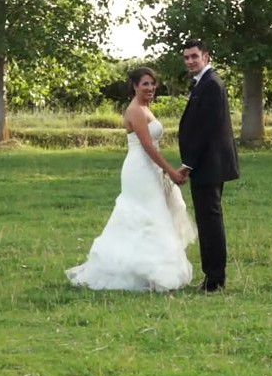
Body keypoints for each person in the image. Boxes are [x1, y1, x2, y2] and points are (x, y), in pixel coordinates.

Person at [66, 67, 196, 292]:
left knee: (157, 213)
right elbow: (147, 147)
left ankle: (153, 269)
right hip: (140, 169)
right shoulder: (135, 110)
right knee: (145, 214)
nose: (150, 88)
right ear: (135, 86)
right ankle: (137, 271)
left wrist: (165, 171)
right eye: (145, 84)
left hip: (152, 168)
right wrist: (171, 172)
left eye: (153, 84)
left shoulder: (147, 108)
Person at [178, 39, 240, 293]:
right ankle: (212, 276)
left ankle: (214, 280)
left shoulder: (212, 84)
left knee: (210, 221)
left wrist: (188, 164)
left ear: (206, 56)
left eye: (194, 56)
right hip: (207, 163)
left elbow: (207, 129)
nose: (190, 61)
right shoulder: (203, 83)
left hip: (208, 163)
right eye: (186, 57)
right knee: (207, 220)